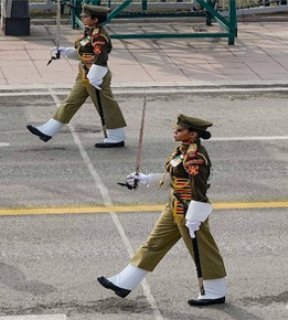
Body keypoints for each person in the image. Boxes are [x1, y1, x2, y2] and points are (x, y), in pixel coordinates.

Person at [98, 114, 227, 306]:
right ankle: (124, 282)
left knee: (202, 250)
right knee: (154, 243)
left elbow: (198, 188)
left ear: (192, 134)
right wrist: (145, 178)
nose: (175, 132)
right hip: (174, 205)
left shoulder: (194, 157)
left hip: (188, 209)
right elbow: (174, 177)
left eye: (180, 130)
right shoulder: (181, 150)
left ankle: (215, 292)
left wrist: (195, 216)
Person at [27, 4, 127, 148]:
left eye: (86, 16)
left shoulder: (99, 36)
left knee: (106, 105)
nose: (82, 18)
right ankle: (47, 130)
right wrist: (64, 52)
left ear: (95, 19)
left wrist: (95, 76)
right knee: (71, 102)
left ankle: (117, 137)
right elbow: (83, 52)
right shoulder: (90, 32)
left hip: (96, 75)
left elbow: (100, 57)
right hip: (85, 73)